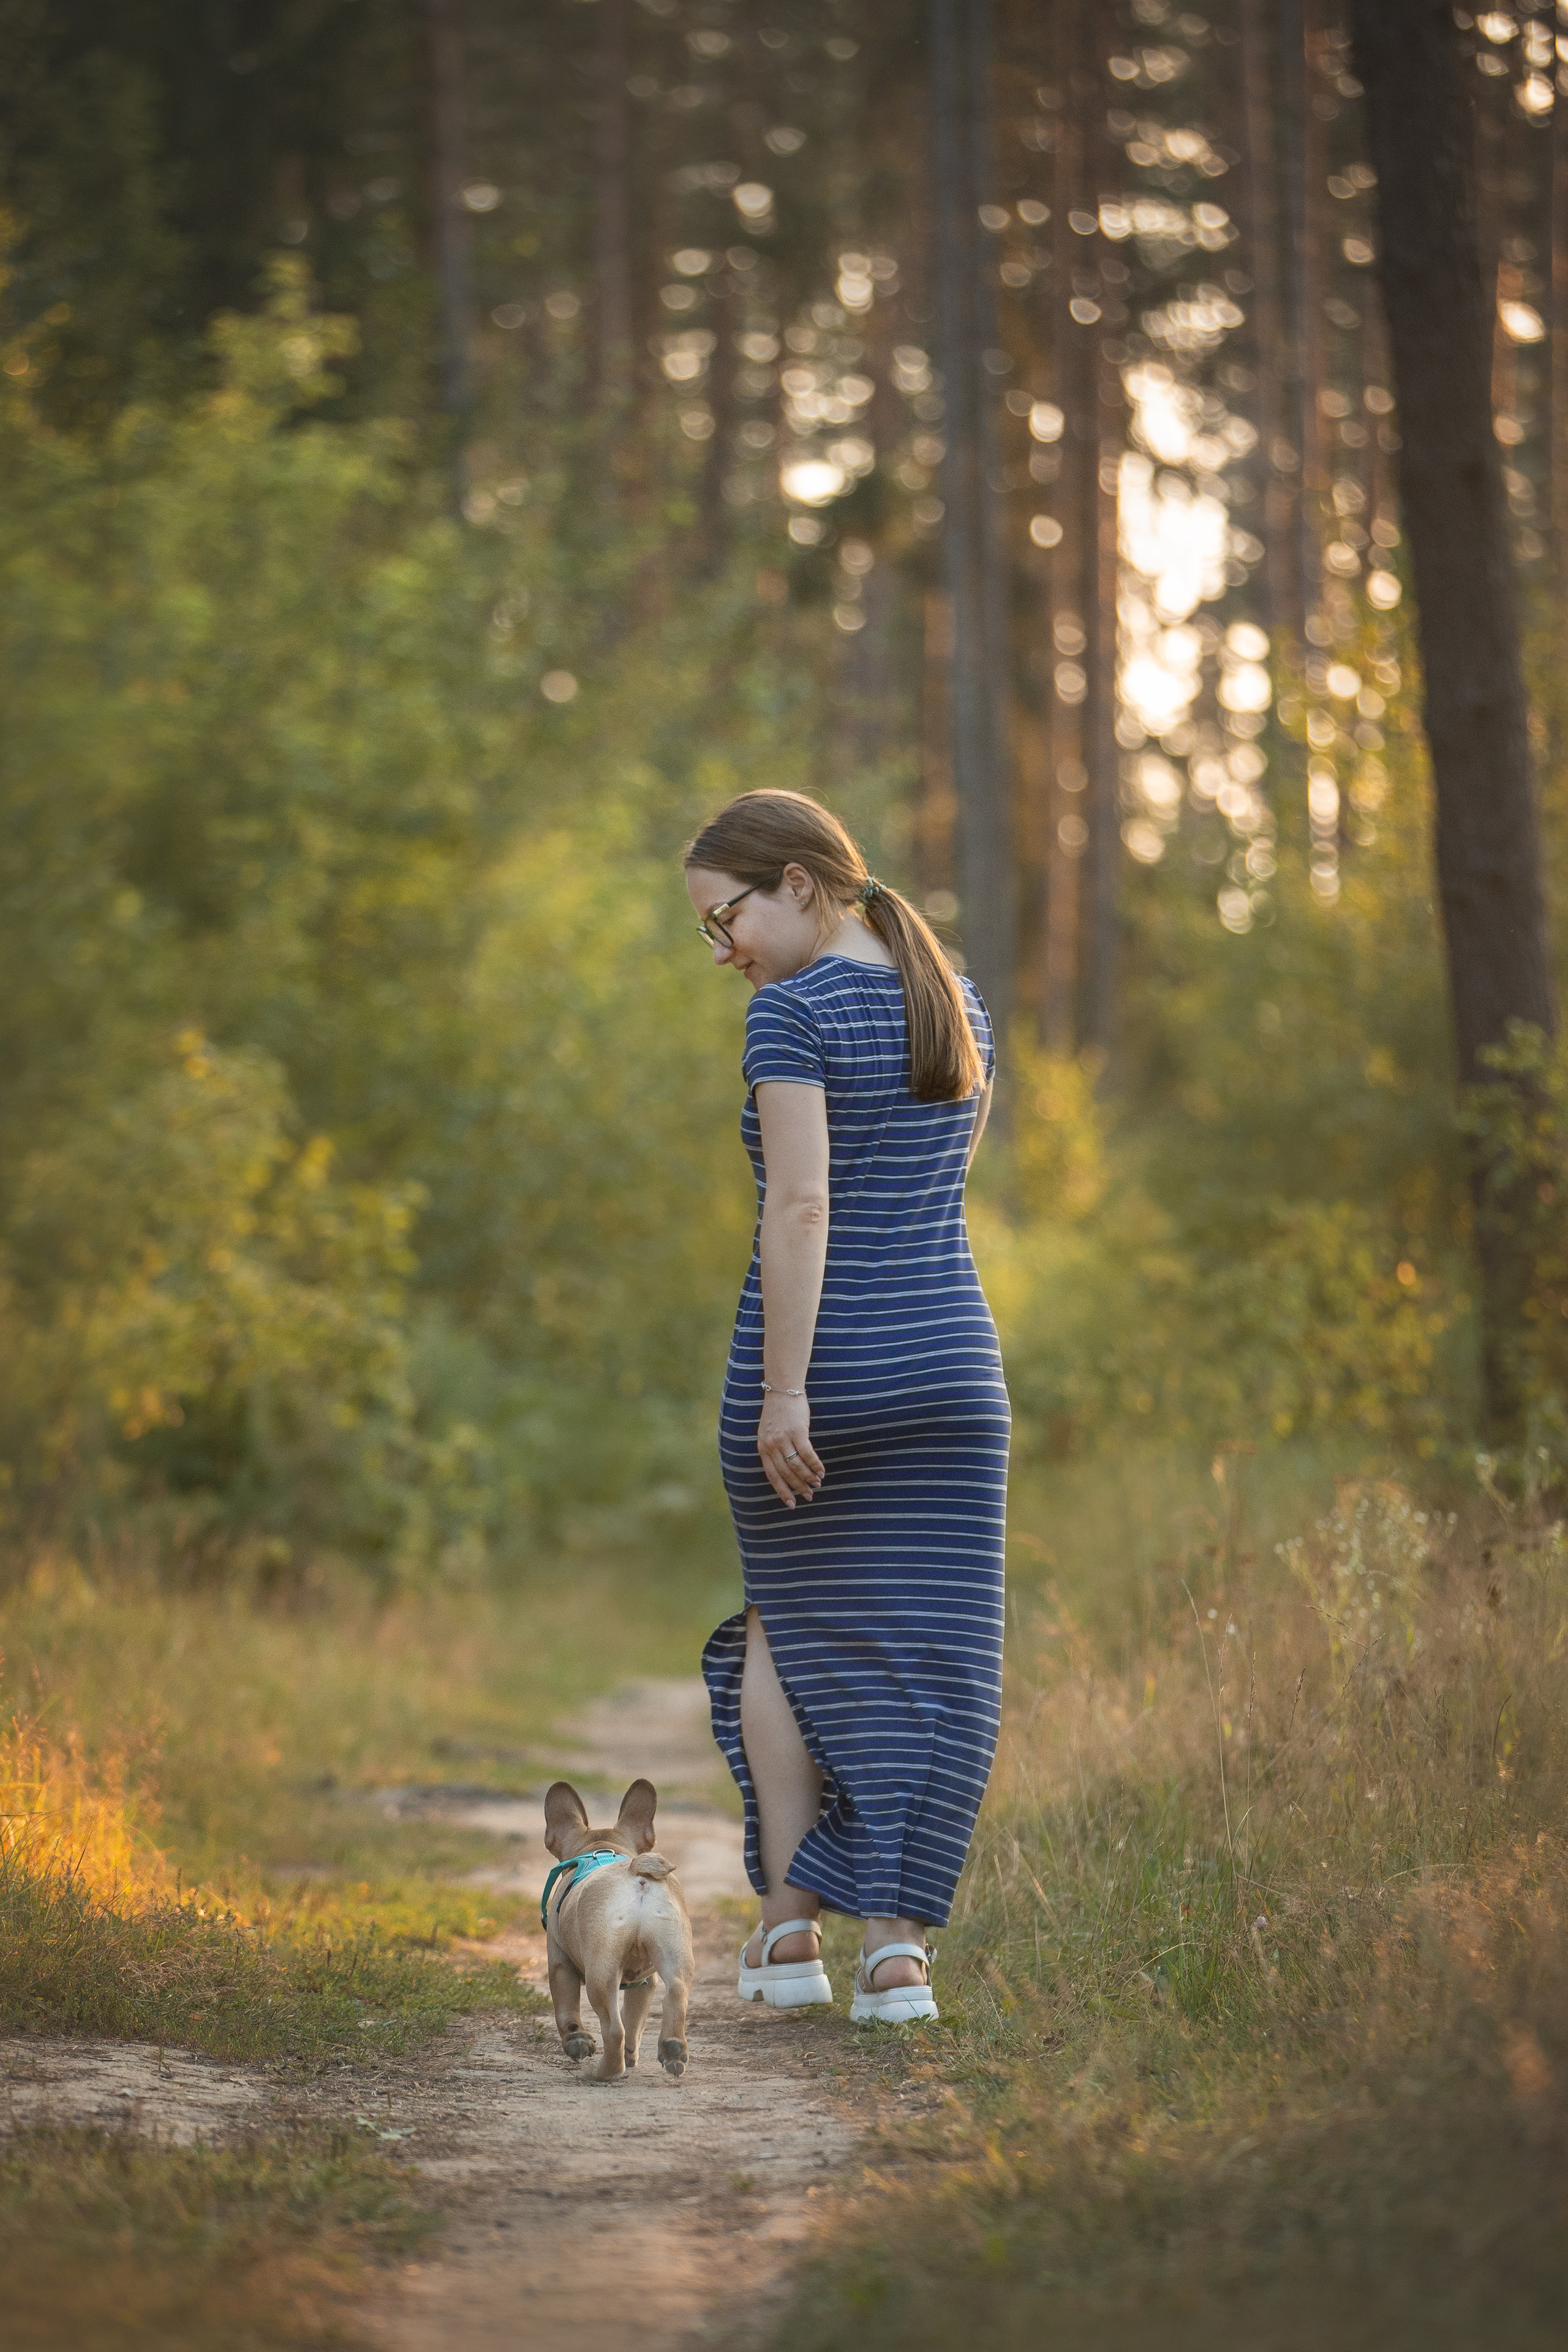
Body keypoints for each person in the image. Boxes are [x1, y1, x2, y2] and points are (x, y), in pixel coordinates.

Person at [684, 789, 1009, 2025]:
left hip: (826, 1371)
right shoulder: (954, 1001)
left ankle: (784, 1937)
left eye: (728, 921)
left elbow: (805, 1211)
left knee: (790, 1629)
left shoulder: (794, 1014)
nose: (728, 953)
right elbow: (932, 1202)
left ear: (799, 887)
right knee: (943, 1651)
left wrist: (783, 1391)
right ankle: (897, 1955)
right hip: (952, 1373)